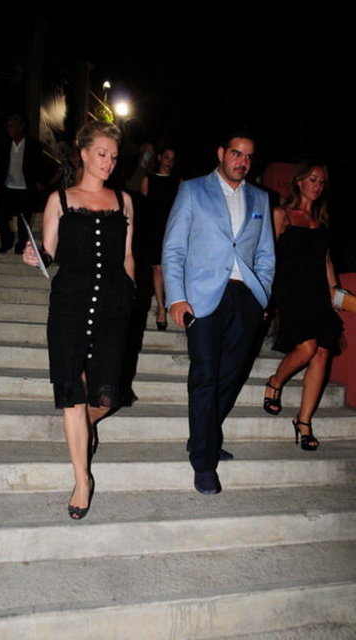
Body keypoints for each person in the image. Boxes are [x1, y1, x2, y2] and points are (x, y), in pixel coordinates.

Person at [23, 120, 134, 519]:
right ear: (83, 154)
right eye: (102, 154)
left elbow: (128, 255)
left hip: (113, 304)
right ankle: (82, 480)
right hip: (70, 303)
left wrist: (130, 295)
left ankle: (84, 428)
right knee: (72, 392)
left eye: (114, 157)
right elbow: (49, 250)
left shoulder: (124, 200)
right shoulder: (60, 199)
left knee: (106, 397)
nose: (108, 162)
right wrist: (36, 255)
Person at [162, 129, 275, 495]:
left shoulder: (260, 198)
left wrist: (262, 296)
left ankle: (203, 436)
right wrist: (176, 297)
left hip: (245, 297)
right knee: (205, 375)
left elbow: (266, 254)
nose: (242, 161)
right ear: (221, 153)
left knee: (232, 375)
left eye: (248, 157)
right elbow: (174, 248)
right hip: (203, 296)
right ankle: (203, 461)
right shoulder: (193, 190)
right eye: (236, 154)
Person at [263, 161, 342, 449]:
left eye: (321, 181)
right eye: (312, 179)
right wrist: (265, 294)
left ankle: (304, 421)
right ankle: (275, 381)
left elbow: (325, 260)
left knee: (322, 353)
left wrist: (335, 291)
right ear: (299, 181)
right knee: (307, 349)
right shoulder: (280, 214)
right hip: (291, 291)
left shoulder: (321, 221)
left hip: (318, 293)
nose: (317, 185)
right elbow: (267, 256)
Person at [141, 147, 180, 330]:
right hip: (154, 230)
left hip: (172, 231)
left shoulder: (178, 182)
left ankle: (170, 301)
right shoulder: (149, 180)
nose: (169, 162)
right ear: (159, 158)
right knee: (157, 268)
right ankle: (161, 308)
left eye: (172, 159)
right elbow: (143, 208)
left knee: (169, 268)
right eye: (166, 157)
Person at [0, 114, 44, 254]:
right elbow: (0, 165)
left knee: (24, 219)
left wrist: (39, 182)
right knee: (2, 215)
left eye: (12, 126)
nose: (9, 130)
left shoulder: (33, 144)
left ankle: (21, 244)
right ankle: (6, 242)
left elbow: (39, 164)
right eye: (8, 127)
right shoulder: (5, 143)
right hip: (8, 186)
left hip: (25, 188)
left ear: (21, 127)